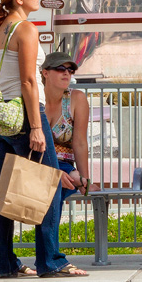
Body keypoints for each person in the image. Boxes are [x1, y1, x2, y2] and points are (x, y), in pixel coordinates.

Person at [0, 0, 87, 278]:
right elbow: (30, 81)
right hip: (27, 116)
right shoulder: (25, 29)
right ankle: (52, 261)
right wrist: (37, 126)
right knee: (51, 185)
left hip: (2, 118)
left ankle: (3, 262)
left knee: (6, 191)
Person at [41, 50, 91, 210]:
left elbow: (80, 143)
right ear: (45, 73)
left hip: (64, 165)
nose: (66, 73)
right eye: (60, 68)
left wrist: (85, 180)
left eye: (70, 70)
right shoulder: (34, 98)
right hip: (37, 164)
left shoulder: (76, 99)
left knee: (66, 181)